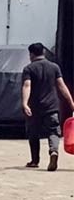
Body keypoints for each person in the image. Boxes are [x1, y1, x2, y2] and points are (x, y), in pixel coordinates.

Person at [21, 42, 74, 171]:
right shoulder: (54, 67)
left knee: (33, 133)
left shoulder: (29, 69)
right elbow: (61, 86)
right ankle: (53, 151)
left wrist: (24, 103)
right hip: (51, 106)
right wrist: (71, 103)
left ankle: (34, 161)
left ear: (31, 54)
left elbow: (27, 85)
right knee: (53, 131)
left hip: (35, 107)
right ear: (43, 53)